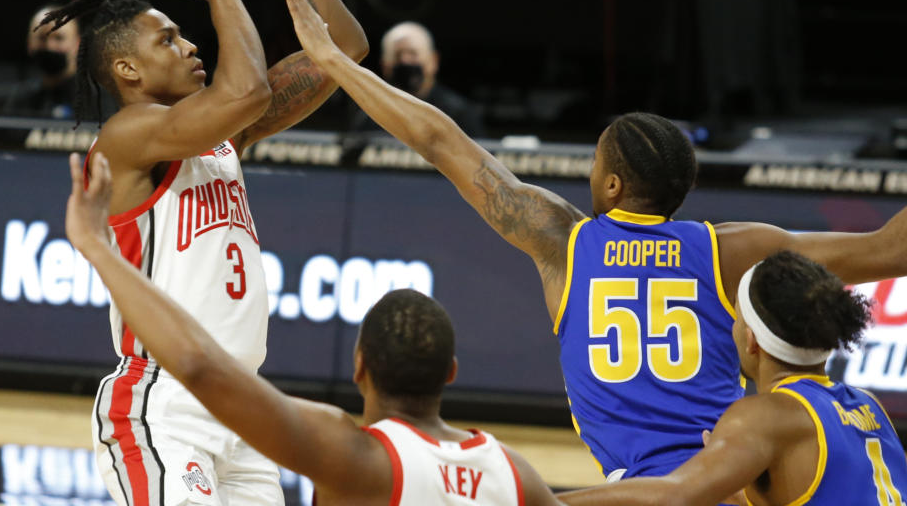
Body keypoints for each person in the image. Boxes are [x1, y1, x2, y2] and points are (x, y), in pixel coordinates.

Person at [279, 0, 907, 485]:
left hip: (641, 492)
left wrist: (334, 62)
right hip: (728, 481)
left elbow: (440, 139)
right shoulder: (730, 250)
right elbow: (887, 249)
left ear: (610, 185)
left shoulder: (563, 240)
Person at [41, 0, 368, 506]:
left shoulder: (224, 134)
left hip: (244, 410)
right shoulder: (127, 138)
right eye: (169, 38)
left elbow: (346, 48)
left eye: (186, 33)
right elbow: (244, 90)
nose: (190, 45)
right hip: (165, 404)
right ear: (128, 70)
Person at [66, 151, 564, 506]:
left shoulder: (349, 456)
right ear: (450, 372)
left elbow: (199, 367)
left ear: (359, 366)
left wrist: (96, 247)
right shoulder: (512, 475)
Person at [555, 250, 907, 505]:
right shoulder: (867, 405)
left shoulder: (766, 415)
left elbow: (673, 497)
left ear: (751, 340)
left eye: (735, 318)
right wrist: (737, 482)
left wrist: (539, 501)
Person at [350, 22, 485, 136]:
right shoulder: (371, 115)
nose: (405, 61)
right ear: (385, 66)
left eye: (413, 54)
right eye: (397, 55)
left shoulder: (459, 113)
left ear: (433, 61)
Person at [5, 4, 82, 118]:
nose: (49, 46)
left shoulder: (98, 100)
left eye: (59, 38)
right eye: (42, 38)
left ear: (77, 44)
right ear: (29, 44)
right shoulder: (21, 99)